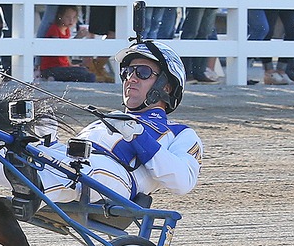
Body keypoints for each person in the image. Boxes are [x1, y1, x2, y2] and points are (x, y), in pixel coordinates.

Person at [43, 40, 204, 204]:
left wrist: (138, 136)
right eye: (127, 72)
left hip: (114, 176)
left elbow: (183, 181)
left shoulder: (181, 133)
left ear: (166, 87)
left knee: (77, 171)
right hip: (75, 164)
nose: (131, 78)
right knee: (29, 144)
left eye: (143, 72)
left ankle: (33, 189)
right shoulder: (114, 117)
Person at [38, 5, 95, 82]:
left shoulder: (66, 30)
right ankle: (52, 77)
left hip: (62, 67)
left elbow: (65, 54)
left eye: (74, 17)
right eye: (68, 17)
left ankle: (54, 78)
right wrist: (77, 37)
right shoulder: (54, 29)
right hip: (51, 68)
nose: (71, 20)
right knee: (88, 76)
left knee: (85, 71)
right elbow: (59, 49)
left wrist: (70, 65)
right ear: (60, 16)